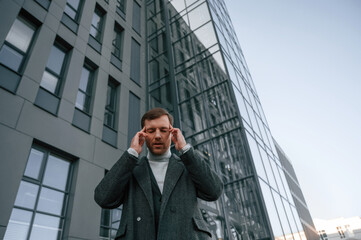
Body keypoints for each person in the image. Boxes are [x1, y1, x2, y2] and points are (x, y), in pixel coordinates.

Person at [94, 108, 223, 240]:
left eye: (163, 130)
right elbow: (103, 198)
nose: (157, 135)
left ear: (171, 133)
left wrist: (185, 150)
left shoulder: (188, 165)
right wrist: (131, 153)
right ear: (143, 134)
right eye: (151, 131)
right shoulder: (131, 168)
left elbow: (214, 191)